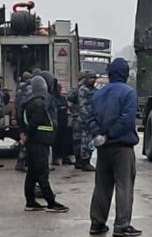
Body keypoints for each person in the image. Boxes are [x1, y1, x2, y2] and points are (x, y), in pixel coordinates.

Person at [86, 58, 141, 237]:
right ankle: (122, 225)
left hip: (103, 147)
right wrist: (110, 134)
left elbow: (90, 118)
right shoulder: (129, 93)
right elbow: (127, 120)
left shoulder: (98, 94)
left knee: (102, 186)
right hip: (122, 147)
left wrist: (100, 135)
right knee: (124, 186)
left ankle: (97, 223)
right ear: (125, 73)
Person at [17, 74, 67, 211]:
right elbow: (35, 123)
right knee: (42, 172)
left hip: (36, 141)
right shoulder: (39, 103)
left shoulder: (30, 101)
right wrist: (29, 133)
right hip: (39, 141)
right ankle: (51, 202)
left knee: (32, 173)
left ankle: (30, 201)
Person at [69, 71, 100, 172]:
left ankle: (82, 161)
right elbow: (82, 105)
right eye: (91, 78)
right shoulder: (82, 90)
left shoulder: (94, 90)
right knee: (82, 141)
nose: (93, 80)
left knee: (84, 141)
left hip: (84, 119)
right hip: (82, 120)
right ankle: (83, 162)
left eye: (94, 78)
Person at [50, 75, 71, 166]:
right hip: (56, 121)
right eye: (58, 88)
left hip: (63, 122)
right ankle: (55, 158)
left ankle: (65, 157)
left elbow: (66, 106)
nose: (59, 90)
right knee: (55, 141)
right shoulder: (51, 98)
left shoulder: (62, 98)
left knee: (65, 140)